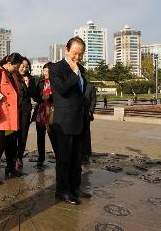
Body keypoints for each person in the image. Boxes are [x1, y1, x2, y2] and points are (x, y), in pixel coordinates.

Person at [49, 36, 91, 205]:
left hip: (80, 119)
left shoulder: (80, 68)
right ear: (66, 50)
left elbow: (82, 92)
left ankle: (75, 187)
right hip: (64, 121)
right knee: (64, 159)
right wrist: (74, 72)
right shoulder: (56, 68)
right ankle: (62, 191)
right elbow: (62, 89)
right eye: (75, 53)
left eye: (81, 54)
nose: (77, 58)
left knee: (76, 158)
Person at [0, 53, 24, 184]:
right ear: (10, 64)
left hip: (9, 116)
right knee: (0, 144)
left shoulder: (11, 74)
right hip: (0, 116)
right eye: (17, 66)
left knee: (11, 144)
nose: (17, 69)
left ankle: (10, 168)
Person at [15, 57, 37, 171]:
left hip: (25, 110)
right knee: (13, 135)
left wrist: (29, 86)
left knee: (23, 135)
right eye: (22, 66)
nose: (24, 68)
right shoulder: (13, 77)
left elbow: (34, 95)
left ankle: (19, 157)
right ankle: (12, 157)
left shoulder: (31, 79)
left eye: (26, 67)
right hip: (13, 110)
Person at [32, 62, 56, 168]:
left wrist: (50, 97)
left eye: (48, 71)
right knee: (40, 138)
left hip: (52, 113)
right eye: (45, 70)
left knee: (53, 137)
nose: (46, 73)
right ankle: (40, 158)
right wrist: (39, 96)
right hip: (41, 113)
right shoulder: (40, 83)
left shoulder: (56, 83)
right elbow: (36, 98)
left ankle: (59, 156)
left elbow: (59, 97)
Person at [81, 81, 96, 165]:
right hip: (74, 114)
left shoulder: (90, 86)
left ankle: (86, 154)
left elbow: (93, 100)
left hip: (86, 114)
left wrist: (90, 111)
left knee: (86, 134)